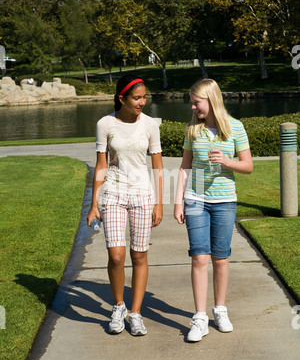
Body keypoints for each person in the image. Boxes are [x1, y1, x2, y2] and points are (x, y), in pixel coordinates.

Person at [174, 78, 253, 342]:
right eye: (192, 103)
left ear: (211, 99)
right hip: (195, 200)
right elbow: (185, 167)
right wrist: (178, 201)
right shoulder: (192, 130)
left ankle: (219, 310)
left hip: (225, 202)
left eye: (196, 103)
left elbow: (248, 166)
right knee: (199, 258)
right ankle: (199, 318)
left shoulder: (236, 128)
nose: (194, 108)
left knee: (221, 258)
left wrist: (226, 161)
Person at [87, 74, 163, 337]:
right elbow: (101, 165)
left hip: (142, 195)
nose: (142, 102)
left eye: (144, 97)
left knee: (139, 255)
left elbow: (158, 167)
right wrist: (94, 202)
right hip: (113, 194)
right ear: (122, 98)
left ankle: (136, 313)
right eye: (137, 98)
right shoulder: (105, 124)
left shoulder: (151, 125)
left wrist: (158, 203)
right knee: (116, 255)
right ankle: (118, 306)